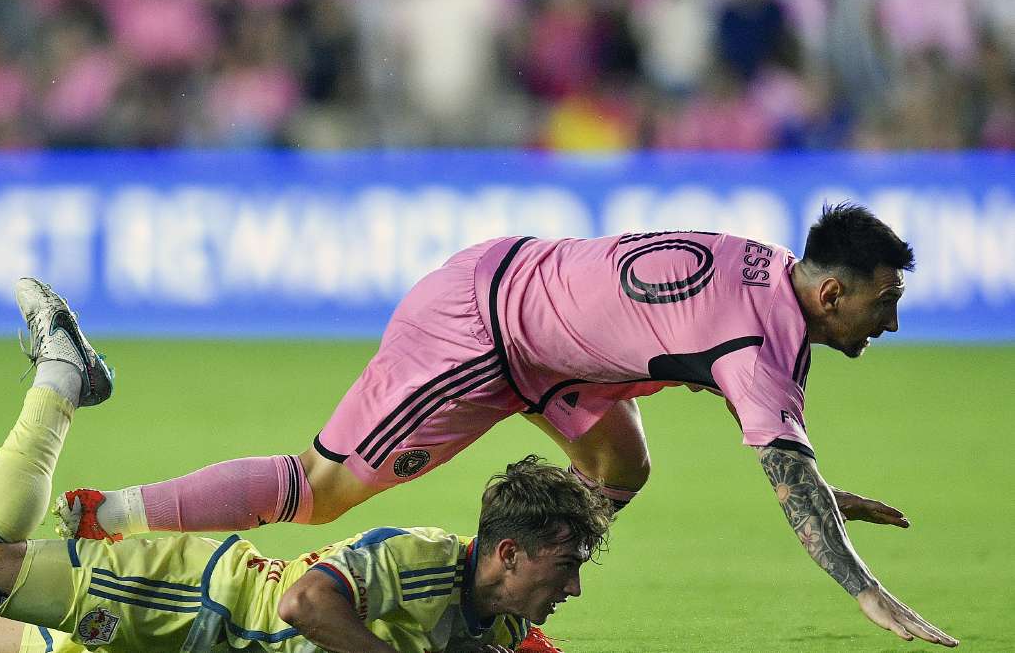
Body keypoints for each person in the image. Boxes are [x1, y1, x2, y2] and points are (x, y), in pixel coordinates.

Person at [58, 203, 957, 647]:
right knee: (318, 488)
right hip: (479, 330)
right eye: (885, 303)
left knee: (620, 464)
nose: (892, 321)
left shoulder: (775, 284)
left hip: (550, 346)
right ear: (832, 291)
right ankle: (110, 515)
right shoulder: (758, 336)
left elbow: (766, 428)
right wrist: (866, 592)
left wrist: (818, 489)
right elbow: (769, 438)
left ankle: (501, 610)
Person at [0, 278, 595, 652]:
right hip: (193, 602)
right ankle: (60, 378)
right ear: (505, 551)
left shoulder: (504, 623)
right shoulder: (419, 558)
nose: (575, 588)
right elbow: (308, 608)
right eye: (565, 566)